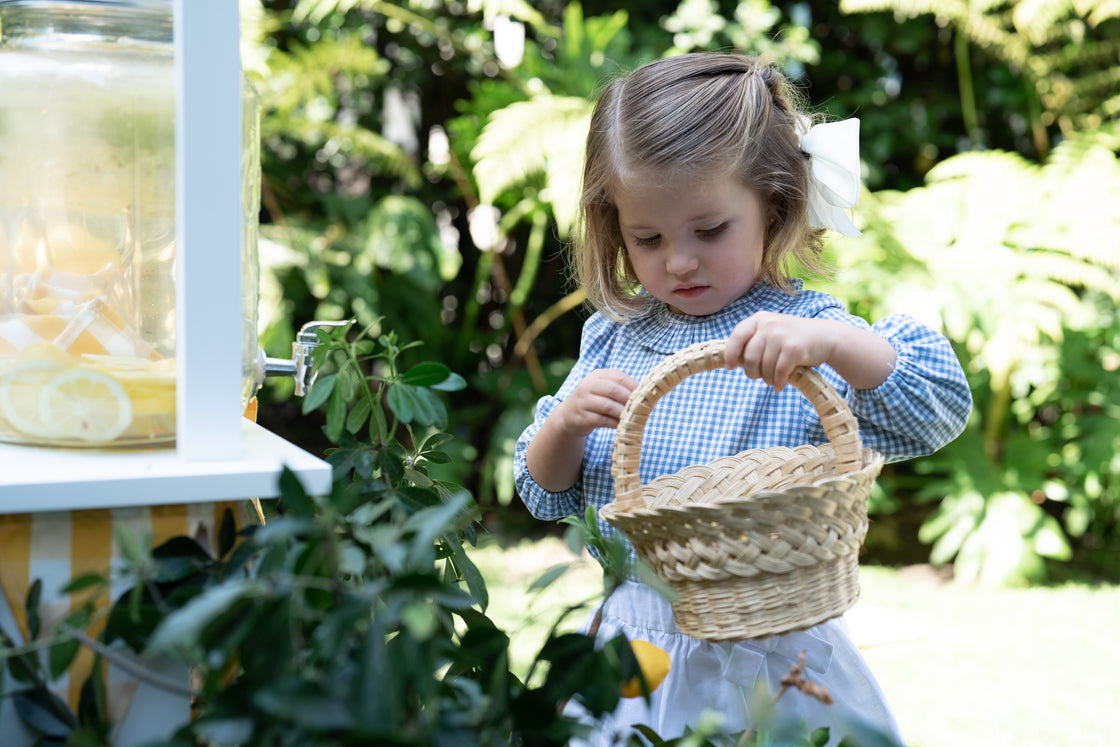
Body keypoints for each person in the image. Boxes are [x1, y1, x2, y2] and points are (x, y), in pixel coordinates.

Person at [513, 52, 972, 746]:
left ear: (775, 204)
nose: (679, 260)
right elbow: (542, 490)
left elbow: (934, 406)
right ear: (617, 228)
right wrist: (567, 427)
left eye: (710, 230)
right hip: (637, 650)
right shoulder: (613, 338)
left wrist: (833, 345)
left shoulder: (803, 332)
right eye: (648, 238)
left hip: (775, 644)